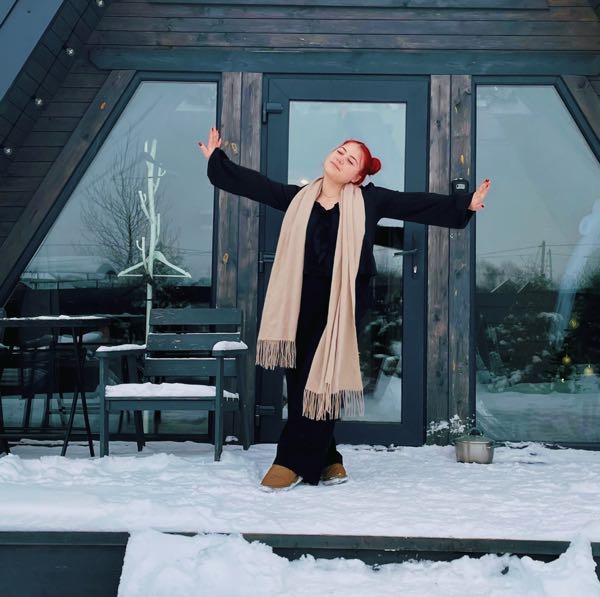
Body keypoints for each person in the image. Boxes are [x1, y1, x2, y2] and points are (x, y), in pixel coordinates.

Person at [198, 127, 490, 492]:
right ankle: (328, 458)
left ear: (357, 176)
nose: (341, 158)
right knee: (300, 379)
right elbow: (256, 185)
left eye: (351, 159)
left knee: (323, 378)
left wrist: (464, 204)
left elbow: (414, 204)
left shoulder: (369, 201)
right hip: (296, 300)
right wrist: (218, 161)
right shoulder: (299, 198)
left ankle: (290, 461)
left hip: (343, 302)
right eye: (340, 151)